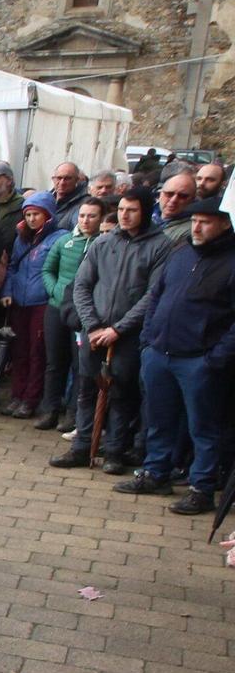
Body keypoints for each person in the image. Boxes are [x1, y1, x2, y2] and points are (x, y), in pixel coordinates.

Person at [115, 199, 233, 515]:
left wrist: (215, 357)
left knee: (202, 427)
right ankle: (156, 473)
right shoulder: (181, 253)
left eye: (205, 222)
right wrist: (148, 340)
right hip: (159, 352)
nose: (197, 226)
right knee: (158, 418)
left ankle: (202, 488)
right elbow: (156, 296)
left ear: (224, 224)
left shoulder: (231, 262)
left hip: (200, 360)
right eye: (194, 220)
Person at [55, 187, 170, 473]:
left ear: (144, 211)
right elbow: (82, 285)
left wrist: (118, 329)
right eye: (121, 210)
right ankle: (82, 445)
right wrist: (92, 325)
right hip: (94, 330)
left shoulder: (160, 245)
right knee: (86, 388)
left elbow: (152, 295)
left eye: (132, 210)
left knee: (120, 393)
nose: (125, 215)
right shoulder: (104, 243)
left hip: (127, 335)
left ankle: (115, 450)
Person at [37, 198, 104, 432]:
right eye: (83, 215)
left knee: (79, 365)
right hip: (57, 307)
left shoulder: (102, 244)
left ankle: (72, 414)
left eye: (92, 216)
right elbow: (47, 269)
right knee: (54, 362)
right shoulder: (65, 240)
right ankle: (50, 409)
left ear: (101, 218)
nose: (86, 220)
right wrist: (56, 291)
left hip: (84, 312)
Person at [0, 192, 64, 419]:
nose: (32, 219)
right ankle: (17, 395)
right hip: (19, 301)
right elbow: (12, 266)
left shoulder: (58, 239)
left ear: (47, 215)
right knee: (19, 351)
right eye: (28, 214)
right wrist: (7, 291)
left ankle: (31, 399)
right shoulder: (21, 238)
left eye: (36, 214)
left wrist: (51, 293)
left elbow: (57, 270)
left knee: (37, 352)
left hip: (42, 303)